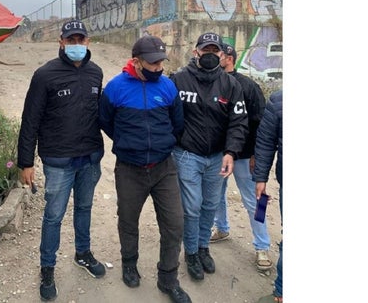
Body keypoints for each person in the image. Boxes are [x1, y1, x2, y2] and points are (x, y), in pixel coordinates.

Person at [16, 19, 106, 302]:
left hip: (89, 158)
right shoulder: (45, 75)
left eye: (80, 40)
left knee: (84, 208)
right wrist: (25, 162)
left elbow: (102, 113)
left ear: (87, 42)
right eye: (71, 40)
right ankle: (47, 268)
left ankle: (83, 253)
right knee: (54, 216)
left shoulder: (96, 73)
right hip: (59, 161)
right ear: (61, 42)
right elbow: (30, 120)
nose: (76, 44)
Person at [98, 35, 192, 303]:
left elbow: (177, 124)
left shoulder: (168, 87)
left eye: (161, 62)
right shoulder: (115, 88)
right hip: (130, 169)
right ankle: (129, 264)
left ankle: (168, 279)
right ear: (136, 61)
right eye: (152, 63)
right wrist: (129, 144)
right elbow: (105, 122)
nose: (158, 68)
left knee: (174, 224)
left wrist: (161, 145)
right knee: (128, 220)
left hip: (164, 168)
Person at [169, 32, 248, 281]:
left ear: (222, 54)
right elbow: (165, 114)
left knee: (210, 205)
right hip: (187, 155)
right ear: (196, 52)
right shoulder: (178, 80)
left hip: (217, 158)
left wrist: (231, 152)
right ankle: (191, 252)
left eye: (215, 51)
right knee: (192, 207)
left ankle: (203, 247)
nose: (210, 54)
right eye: (206, 50)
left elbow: (238, 122)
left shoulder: (230, 85)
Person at [210, 43, 273, 272]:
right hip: (220, 153)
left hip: (246, 155)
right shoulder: (213, 83)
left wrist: (258, 154)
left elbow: (262, 123)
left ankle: (262, 246)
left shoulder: (248, 86)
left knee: (257, 200)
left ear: (229, 58)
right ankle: (222, 228)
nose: (215, 57)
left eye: (220, 54)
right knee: (216, 195)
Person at [252, 89, 283, 303]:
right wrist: (261, 177)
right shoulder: (279, 100)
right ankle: (281, 292)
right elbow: (265, 141)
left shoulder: (250, 88)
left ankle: (261, 246)